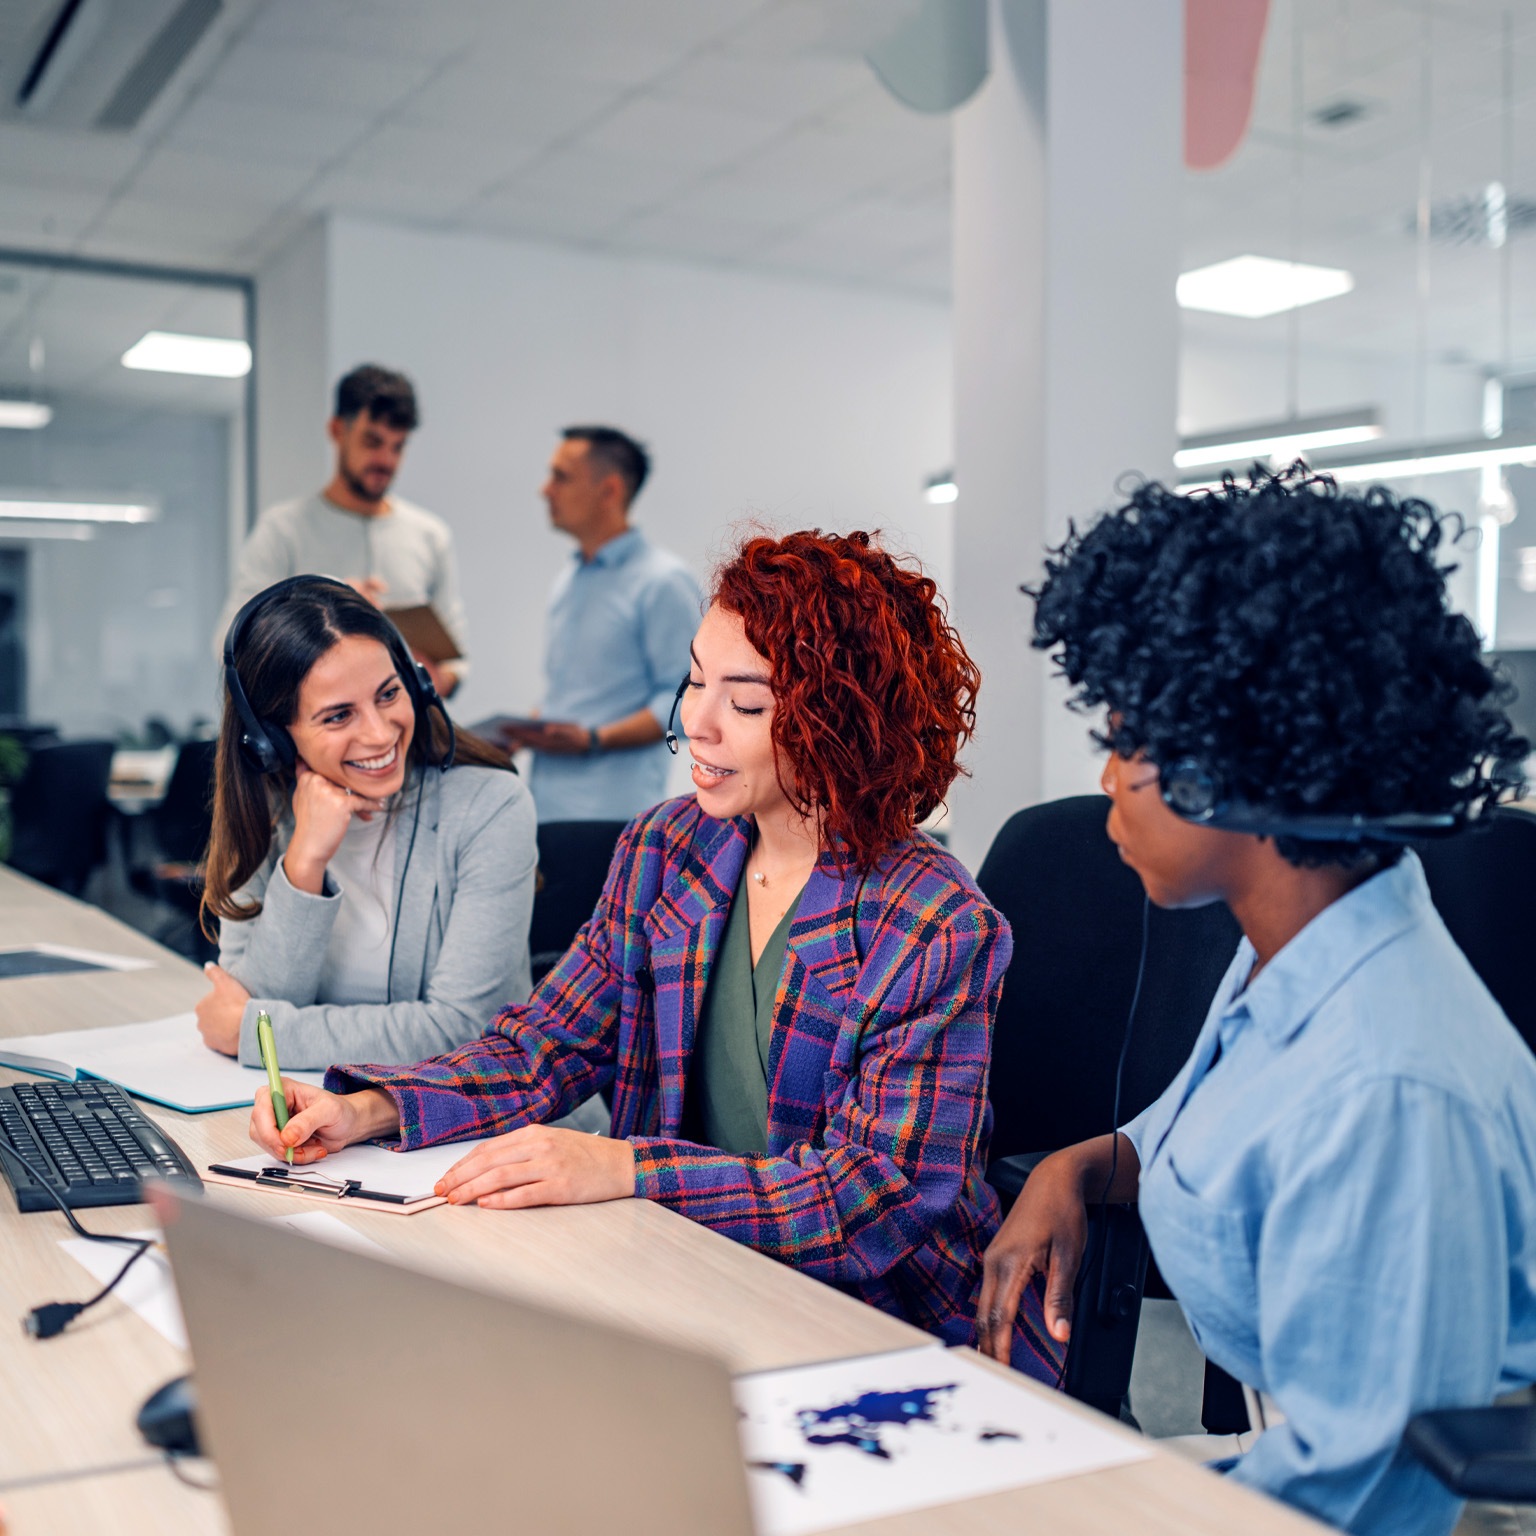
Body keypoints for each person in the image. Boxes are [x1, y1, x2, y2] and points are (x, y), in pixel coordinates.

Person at [250, 530, 1060, 1378]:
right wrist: (371, 1109)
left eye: (745, 705)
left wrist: (627, 1168)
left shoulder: (932, 920)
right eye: (696, 681)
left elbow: (871, 1205)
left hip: (868, 1322)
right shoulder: (666, 850)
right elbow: (546, 1044)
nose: (694, 721)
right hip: (682, 1275)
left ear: (840, 722)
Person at [977, 468, 1536, 1536]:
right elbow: (1203, 1127)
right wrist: (1081, 1164)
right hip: (1281, 1460)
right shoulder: (1303, 938)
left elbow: (1373, 1497)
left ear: (1247, 759)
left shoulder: (1391, 1086)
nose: (1104, 780)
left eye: (1127, 741)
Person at [196, 575, 535, 1072]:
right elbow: (250, 995)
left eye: (388, 694)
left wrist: (262, 1032)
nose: (379, 734)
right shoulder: (266, 816)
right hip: (329, 1120)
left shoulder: (489, 807)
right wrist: (305, 862)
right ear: (272, 739)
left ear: (416, 685)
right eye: (338, 716)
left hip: (479, 1125)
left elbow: (465, 1031)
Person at [213, 365, 469, 697]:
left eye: (398, 446)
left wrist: (438, 678)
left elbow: (456, 660)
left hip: (410, 734)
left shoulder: (430, 536)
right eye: (373, 441)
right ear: (337, 430)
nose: (386, 460)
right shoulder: (283, 530)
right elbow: (230, 644)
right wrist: (326, 611)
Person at [497, 426, 701, 821]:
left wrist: (594, 739)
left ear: (609, 491)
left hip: (613, 819)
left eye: (561, 476)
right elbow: (583, 695)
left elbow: (688, 698)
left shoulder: (663, 581)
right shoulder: (569, 581)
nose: (545, 489)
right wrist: (529, 729)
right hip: (546, 810)